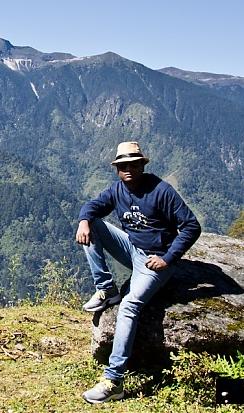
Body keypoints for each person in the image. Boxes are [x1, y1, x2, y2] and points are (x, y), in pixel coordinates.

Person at [75, 141, 201, 404]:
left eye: (134, 164)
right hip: (131, 248)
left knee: (129, 306)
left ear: (142, 165)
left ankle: (114, 381)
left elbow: (191, 226)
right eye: (123, 166)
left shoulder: (161, 191)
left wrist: (168, 259)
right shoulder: (117, 189)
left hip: (154, 261)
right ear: (117, 169)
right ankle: (106, 289)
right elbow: (92, 206)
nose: (129, 169)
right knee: (94, 225)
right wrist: (84, 221)